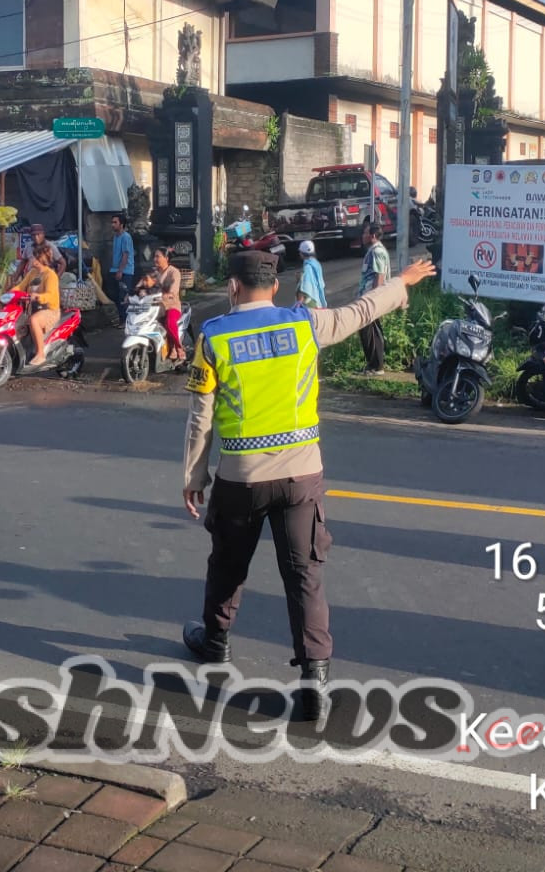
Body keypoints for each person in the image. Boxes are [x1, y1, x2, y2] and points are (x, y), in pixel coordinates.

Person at [181, 247, 436, 718]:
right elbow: (361, 312)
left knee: (229, 563)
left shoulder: (213, 336)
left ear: (233, 286)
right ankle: (314, 679)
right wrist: (402, 281)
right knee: (304, 575)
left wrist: (195, 476)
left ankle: (215, 641)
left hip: (242, 477)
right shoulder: (305, 324)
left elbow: (202, 417)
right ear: (274, 286)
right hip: (302, 474)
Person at [358, 219, 390, 373]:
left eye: (365, 233)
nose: (362, 235)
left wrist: (374, 299)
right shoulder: (373, 251)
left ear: (372, 236)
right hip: (368, 298)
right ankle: (373, 365)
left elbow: (380, 275)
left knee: (372, 332)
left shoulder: (377, 252)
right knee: (367, 330)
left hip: (372, 299)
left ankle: (377, 367)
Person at [22, 247, 62, 369]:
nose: (32, 259)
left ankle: (40, 354)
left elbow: (50, 295)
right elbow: (20, 286)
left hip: (50, 311)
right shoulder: (32, 273)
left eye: (35, 257)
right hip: (33, 309)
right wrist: (7, 295)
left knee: (34, 320)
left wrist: (39, 297)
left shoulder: (51, 275)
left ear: (42, 259)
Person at [153, 247, 185, 364]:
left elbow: (173, 290)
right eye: (154, 256)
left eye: (158, 256)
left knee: (170, 323)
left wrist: (167, 295)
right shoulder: (155, 273)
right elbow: (145, 285)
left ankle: (178, 348)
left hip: (172, 306)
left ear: (166, 258)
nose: (155, 259)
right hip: (156, 307)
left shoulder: (174, 272)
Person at [109, 213, 136, 323]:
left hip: (126, 270)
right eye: (112, 222)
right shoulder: (116, 237)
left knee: (123, 296)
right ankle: (122, 318)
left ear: (121, 224)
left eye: (115, 222)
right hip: (115, 269)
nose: (112, 225)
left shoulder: (126, 237)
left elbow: (126, 254)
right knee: (114, 294)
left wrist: (120, 270)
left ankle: (125, 320)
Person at [296, 240, 327, 309]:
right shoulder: (316, 264)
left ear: (301, 254)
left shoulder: (307, 268)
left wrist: (299, 303)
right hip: (318, 299)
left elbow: (305, 288)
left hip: (311, 302)